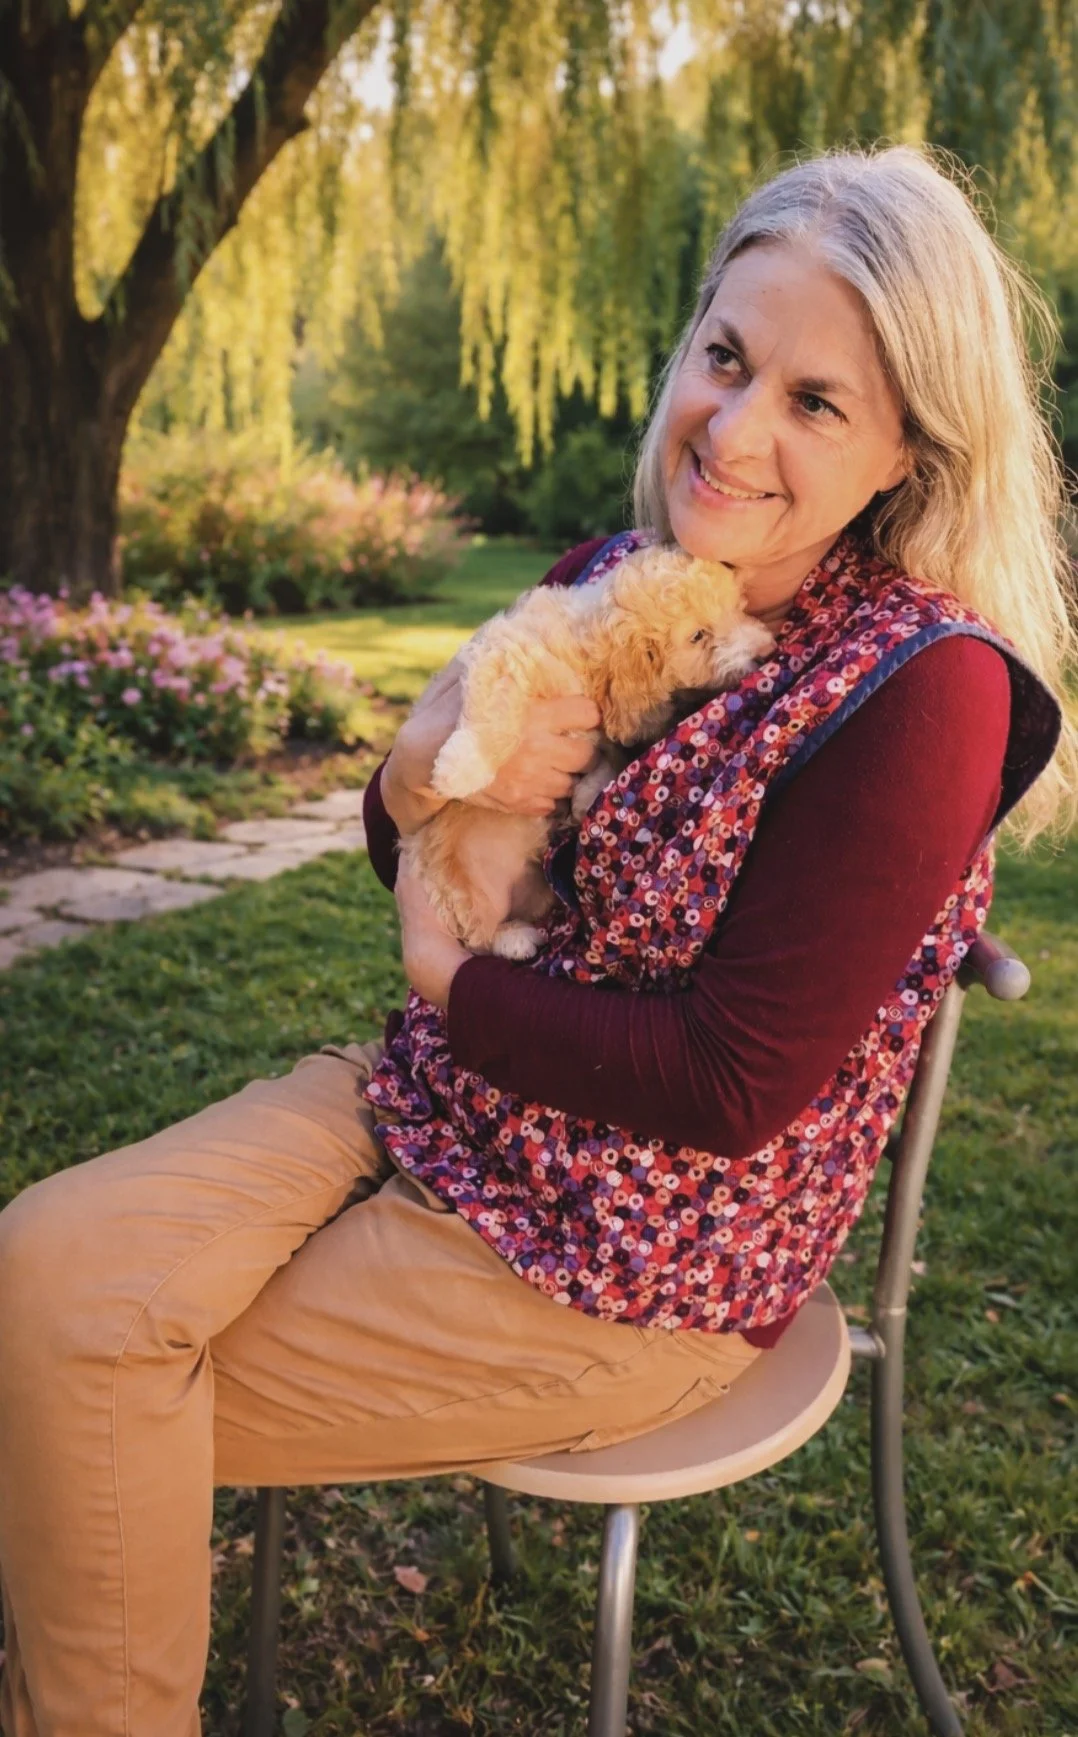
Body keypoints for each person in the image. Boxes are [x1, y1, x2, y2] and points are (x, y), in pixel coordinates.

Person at [0, 143, 1072, 1735]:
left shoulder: (925, 690)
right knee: (41, 1269)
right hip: (425, 1110)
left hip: (624, 1264)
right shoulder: (619, 576)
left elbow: (731, 1084)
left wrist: (453, 982)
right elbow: (410, 837)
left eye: (814, 401)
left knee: (84, 1394)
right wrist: (415, 751)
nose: (735, 425)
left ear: (908, 447)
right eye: (727, 357)